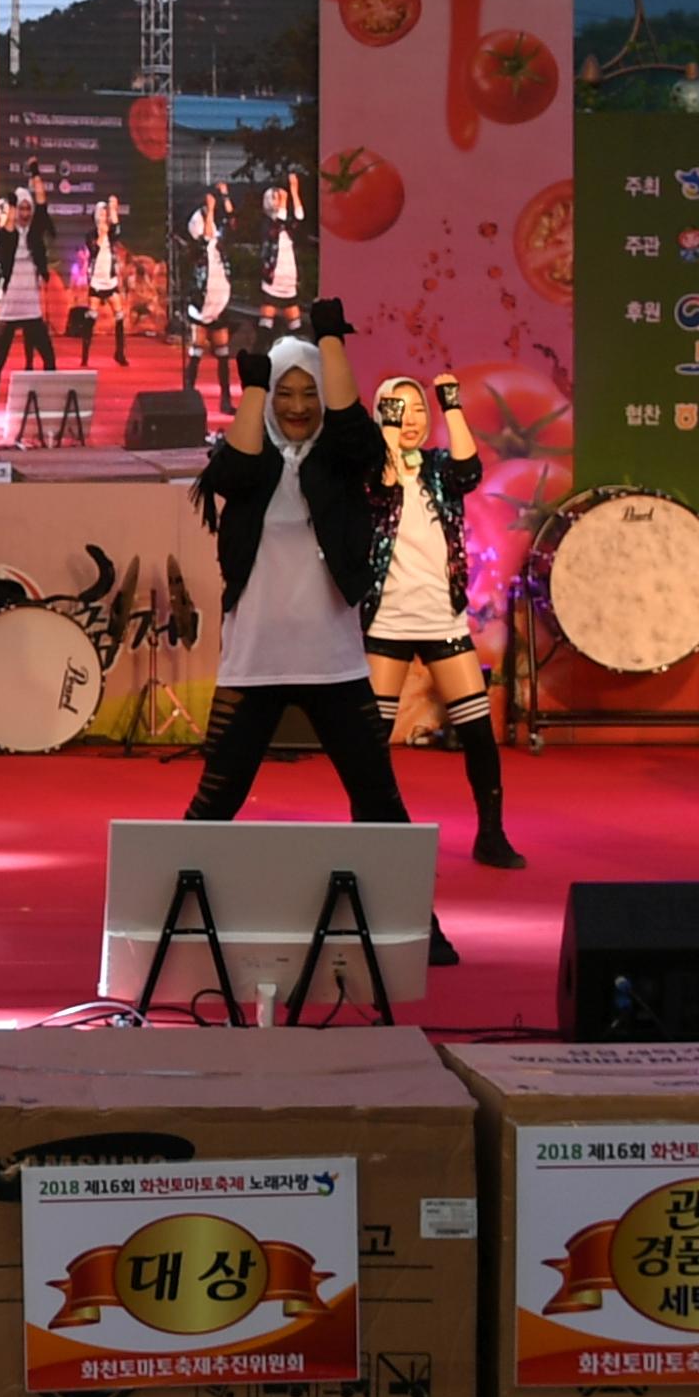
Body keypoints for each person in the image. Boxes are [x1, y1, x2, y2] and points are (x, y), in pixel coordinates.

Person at [182, 304, 455, 963]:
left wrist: (330, 339)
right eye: (285, 393)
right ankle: (164, 912)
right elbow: (235, 472)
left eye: (308, 392)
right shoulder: (248, 462)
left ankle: (422, 926)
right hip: (254, 665)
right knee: (214, 799)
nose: (298, 405)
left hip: (334, 663)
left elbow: (357, 433)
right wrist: (252, 388)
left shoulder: (340, 462)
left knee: (378, 799)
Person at [364, 374, 522, 870]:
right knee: (370, 739)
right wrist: (386, 436)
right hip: (387, 621)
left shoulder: (438, 468)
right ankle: (372, 829)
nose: (407, 419)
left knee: (476, 730)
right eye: (395, 409)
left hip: (443, 621)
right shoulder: (369, 468)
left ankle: (491, 832)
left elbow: (469, 470)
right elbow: (383, 490)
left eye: (415, 410)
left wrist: (451, 405)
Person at [0, 188, 60, 422]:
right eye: (20, 209)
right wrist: (12, 206)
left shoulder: (34, 236)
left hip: (32, 309)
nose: (24, 213)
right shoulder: (7, 236)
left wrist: (34, 173)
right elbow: (7, 230)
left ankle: (48, 405)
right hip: (9, 309)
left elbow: (43, 207)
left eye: (27, 209)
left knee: (49, 358)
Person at [182, 181, 241, 413]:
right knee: (197, 349)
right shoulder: (198, 246)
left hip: (220, 301)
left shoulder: (220, 244)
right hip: (201, 303)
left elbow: (232, 222)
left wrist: (225, 196)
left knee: (223, 352)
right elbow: (205, 237)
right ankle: (188, 397)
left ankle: (225, 400)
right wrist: (208, 210)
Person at [257, 173, 308, 339]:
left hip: (289, 277)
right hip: (273, 277)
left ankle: (295, 353)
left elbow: (299, 219)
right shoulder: (267, 224)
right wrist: (283, 202)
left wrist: (294, 191)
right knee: (267, 321)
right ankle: (264, 353)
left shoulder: (286, 224)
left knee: (295, 321)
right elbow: (278, 222)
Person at [84, 195, 133, 370]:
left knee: (120, 316)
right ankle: (85, 354)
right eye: (102, 214)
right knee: (92, 317)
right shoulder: (90, 234)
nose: (104, 217)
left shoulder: (112, 235)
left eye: (106, 214)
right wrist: (101, 234)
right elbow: (93, 249)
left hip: (110, 281)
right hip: (96, 282)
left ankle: (120, 353)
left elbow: (118, 229)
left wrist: (114, 209)